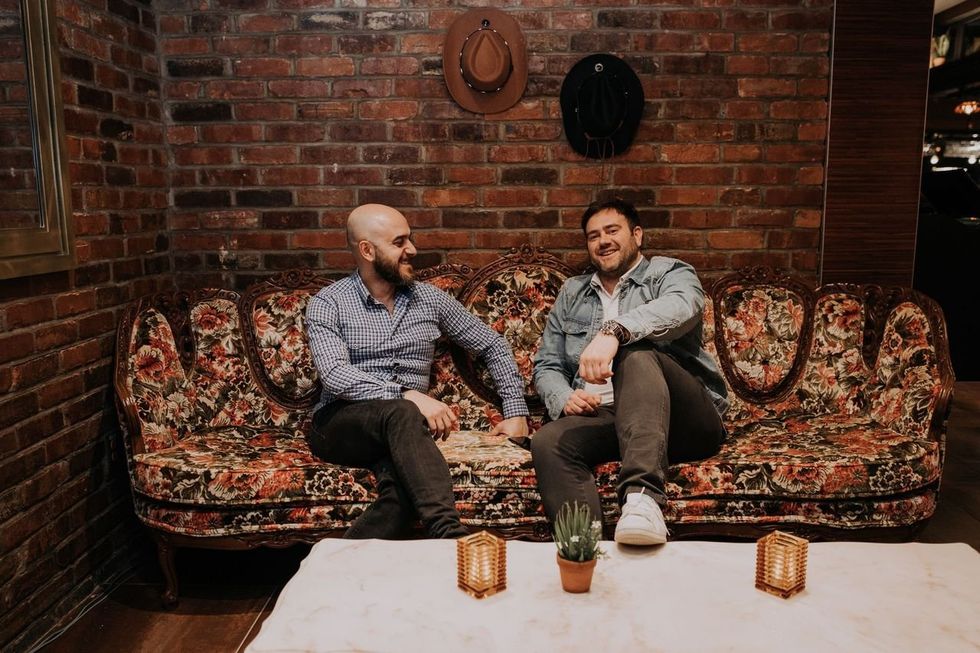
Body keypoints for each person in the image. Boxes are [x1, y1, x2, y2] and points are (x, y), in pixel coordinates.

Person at [306, 204, 529, 540]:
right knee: (402, 410)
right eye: (399, 242)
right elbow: (335, 375)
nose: (412, 250)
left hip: (403, 432)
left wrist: (515, 411)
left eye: (409, 239)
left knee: (399, 496)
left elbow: (491, 345)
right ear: (367, 250)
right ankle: (449, 535)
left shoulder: (429, 300)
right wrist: (407, 394)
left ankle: (336, 564)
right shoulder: (329, 302)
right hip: (340, 424)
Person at [531, 199, 728, 545]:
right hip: (610, 418)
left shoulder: (670, 274)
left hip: (685, 418)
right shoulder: (572, 293)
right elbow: (547, 364)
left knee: (635, 352)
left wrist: (614, 332)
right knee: (549, 440)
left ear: (637, 235)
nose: (602, 241)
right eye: (593, 236)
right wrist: (563, 397)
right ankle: (583, 548)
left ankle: (642, 499)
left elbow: (682, 306)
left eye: (612, 231)